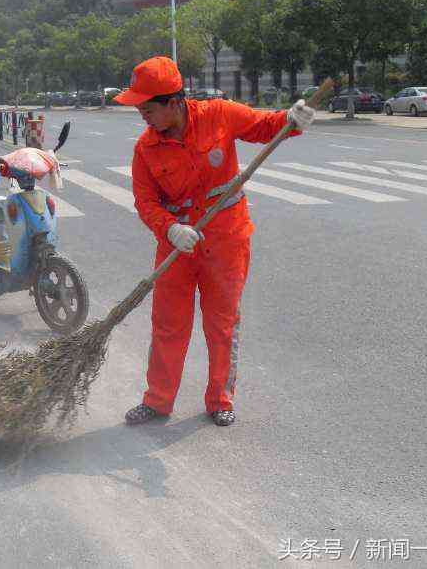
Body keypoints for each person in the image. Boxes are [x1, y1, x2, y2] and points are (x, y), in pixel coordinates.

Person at [116, 57, 315, 427]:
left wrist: (293, 120)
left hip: (225, 241)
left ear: (173, 101)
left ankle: (220, 398)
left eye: (147, 108)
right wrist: (170, 228)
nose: (142, 115)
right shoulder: (145, 149)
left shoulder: (219, 115)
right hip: (177, 246)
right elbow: (145, 202)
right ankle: (158, 401)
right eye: (139, 109)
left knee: (222, 324)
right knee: (168, 325)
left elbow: (266, 127)